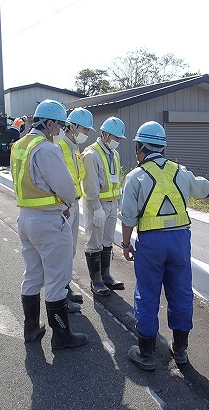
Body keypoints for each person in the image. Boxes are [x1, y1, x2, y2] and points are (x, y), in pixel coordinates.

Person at [120, 121, 209, 371]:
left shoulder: (135, 177)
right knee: (181, 291)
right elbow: (202, 186)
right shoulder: (180, 171)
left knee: (148, 293)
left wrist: (125, 244)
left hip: (151, 243)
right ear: (162, 148)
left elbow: (128, 217)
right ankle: (181, 350)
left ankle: (146, 353)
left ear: (140, 147)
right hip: (180, 241)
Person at [11, 99, 88, 350]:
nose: (60, 131)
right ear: (50, 123)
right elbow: (65, 186)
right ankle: (62, 337)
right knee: (57, 278)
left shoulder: (20, 145)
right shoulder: (45, 149)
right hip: (47, 220)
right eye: (59, 126)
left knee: (32, 274)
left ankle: (31, 329)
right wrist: (68, 204)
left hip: (25, 217)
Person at [81, 117, 126, 297]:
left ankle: (106, 275)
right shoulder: (91, 154)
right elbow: (90, 185)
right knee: (94, 242)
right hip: (96, 206)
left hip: (112, 204)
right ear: (105, 134)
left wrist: (119, 200)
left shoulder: (114, 154)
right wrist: (96, 206)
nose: (118, 141)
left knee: (107, 241)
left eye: (120, 138)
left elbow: (115, 178)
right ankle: (96, 280)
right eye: (116, 137)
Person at [58, 107, 94, 310]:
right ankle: (61, 294)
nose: (86, 134)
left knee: (70, 249)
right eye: (84, 129)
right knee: (63, 250)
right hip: (63, 206)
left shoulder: (74, 148)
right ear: (72, 126)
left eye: (88, 130)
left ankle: (66, 287)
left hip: (74, 203)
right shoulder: (60, 146)